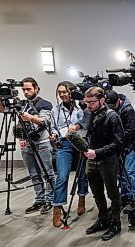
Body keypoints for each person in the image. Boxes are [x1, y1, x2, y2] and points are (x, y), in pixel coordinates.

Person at [0, 77, 55, 214]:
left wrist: (29, 117)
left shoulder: (45, 104)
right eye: (24, 90)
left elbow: (44, 121)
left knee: (48, 173)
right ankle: (39, 200)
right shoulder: (21, 103)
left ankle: (50, 200)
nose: (26, 92)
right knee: (34, 173)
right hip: (25, 143)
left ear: (36, 88)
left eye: (29, 89)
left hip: (42, 142)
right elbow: (2, 110)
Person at [83, 87, 124, 241]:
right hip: (91, 159)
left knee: (113, 194)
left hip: (107, 160)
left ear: (102, 100)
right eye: (87, 102)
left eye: (92, 102)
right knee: (97, 193)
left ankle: (116, 223)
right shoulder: (88, 113)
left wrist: (98, 152)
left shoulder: (112, 116)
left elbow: (119, 143)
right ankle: (103, 219)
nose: (89, 106)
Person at [49, 81, 90, 228]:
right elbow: (53, 126)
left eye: (64, 92)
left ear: (71, 91)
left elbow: (87, 121)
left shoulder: (82, 106)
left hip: (80, 141)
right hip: (64, 143)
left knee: (82, 175)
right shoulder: (55, 110)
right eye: (59, 92)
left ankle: (81, 198)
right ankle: (57, 209)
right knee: (62, 176)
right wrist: (53, 134)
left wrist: (77, 126)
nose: (62, 95)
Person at [105, 90, 135, 212]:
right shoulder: (110, 109)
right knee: (120, 173)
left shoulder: (128, 110)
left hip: (128, 145)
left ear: (118, 101)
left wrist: (124, 146)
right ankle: (124, 197)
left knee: (130, 172)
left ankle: (134, 198)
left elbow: (130, 131)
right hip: (116, 146)